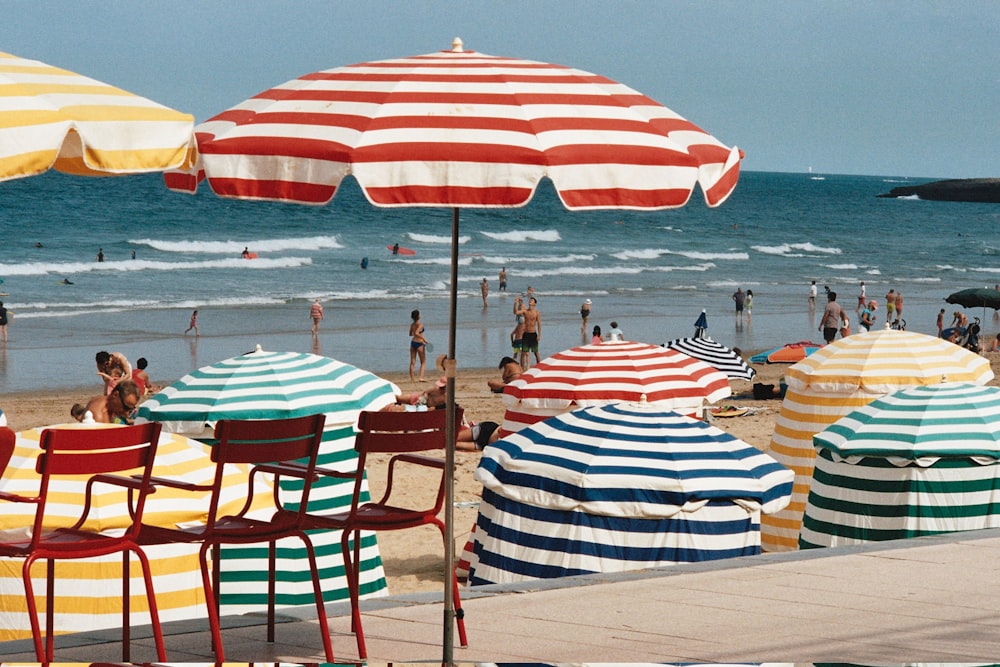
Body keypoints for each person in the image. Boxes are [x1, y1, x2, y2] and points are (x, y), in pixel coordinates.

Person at [517, 296, 542, 366]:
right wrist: (515, 303)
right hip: (526, 334)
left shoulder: (537, 313)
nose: (530, 301)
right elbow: (516, 312)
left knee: (536, 353)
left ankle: (540, 367)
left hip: (533, 334)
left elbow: (539, 324)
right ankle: (522, 370)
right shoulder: (525, 311)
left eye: (532, 300)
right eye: (530, 300)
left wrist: (539, 335)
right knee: (523, 353)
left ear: (534, 303)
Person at [408, 309, 428, 382]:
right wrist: (424, 339)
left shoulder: (412, 325)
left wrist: (416, 334)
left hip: (413, 342)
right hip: (419, 343)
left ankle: (412, 379)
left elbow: (410, 334)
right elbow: (416, 333)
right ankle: (421, 377)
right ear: (418, 316)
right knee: (423, 361)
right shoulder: (420, 324)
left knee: (412, 362)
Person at [510, 295, 526, 366]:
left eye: (520, 301)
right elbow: (515, 312)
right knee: (517, 353)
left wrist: (517, 302)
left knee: (521, 353)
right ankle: (517, 364)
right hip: (519, 336)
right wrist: (515, 303)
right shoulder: (519, 310)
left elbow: (516, 312)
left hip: (521, 337)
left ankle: (523, 366)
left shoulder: (523, 309)